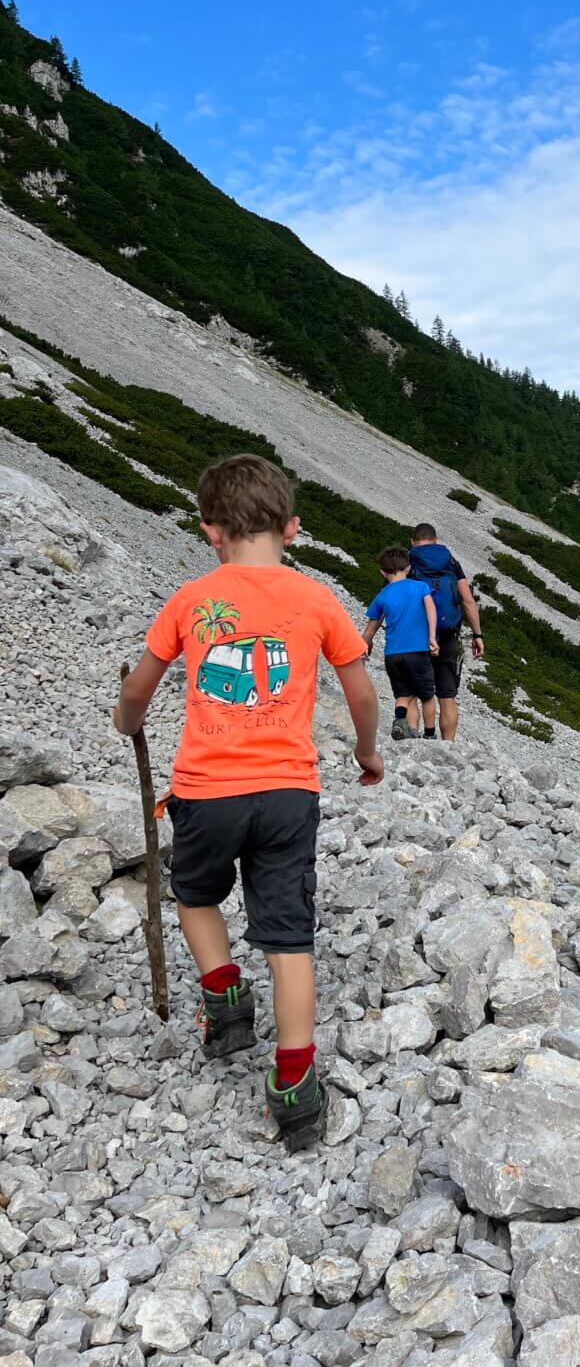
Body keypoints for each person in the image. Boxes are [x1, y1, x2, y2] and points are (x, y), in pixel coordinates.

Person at [114, 454, 383, 1151]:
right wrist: (366, 749)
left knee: (195, 894)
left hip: (206, 793)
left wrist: (125, 720)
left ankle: (225, 992)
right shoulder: (318, 600)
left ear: (210, 531)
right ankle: (294, 1085)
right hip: (291, 793)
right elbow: (359, 691)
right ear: (292, 528)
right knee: (289, 938)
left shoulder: (191, 600)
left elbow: (140, 687)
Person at [406, 522, 484, 741]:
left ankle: (412, 744)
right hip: (449, 636)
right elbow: (467, 601)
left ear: (413, 541)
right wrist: (477, 635)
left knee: (412, 693)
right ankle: (448, 748)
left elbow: (391, 598)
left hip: (416, 636)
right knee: (447, 696)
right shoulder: (450, 562)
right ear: (436, 540)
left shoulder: (407, 561)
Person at [361, 546, 439, 741]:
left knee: (403, 694)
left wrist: (364, 647)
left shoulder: (382, 595)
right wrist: (432, 637)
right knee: (427, 695)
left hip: (393, 655)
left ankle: (400, 722)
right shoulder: (420, 587)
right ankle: (429, 735)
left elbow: (370, 629)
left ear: (382, 572)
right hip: (418, 651)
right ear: (408, 568)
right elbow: (431, 609)